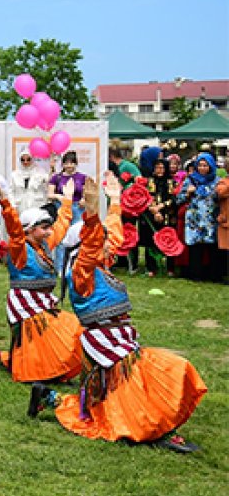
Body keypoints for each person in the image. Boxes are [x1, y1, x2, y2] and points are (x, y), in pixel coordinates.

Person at [28, 175, 206, 453]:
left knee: (109, 402)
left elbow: (113, 232)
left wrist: (113, 202)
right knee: (153, 378)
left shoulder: (100, 263)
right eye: (104, 243)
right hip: (105, 342)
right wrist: (89, 211)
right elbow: (93, 241)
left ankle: (49, 397)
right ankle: (156, 430)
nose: (112, 245)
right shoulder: (82, 271)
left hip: (120, 337)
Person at [0, 177, 81, 383]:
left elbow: (62, 226)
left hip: (43, 303)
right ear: (29, 230)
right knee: (32, 354)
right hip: (25, 306)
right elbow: (14, 229)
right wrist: (3, 198)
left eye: (48, 227)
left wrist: (67, 200)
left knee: (61, 335)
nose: (48, 231)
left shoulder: (44, 244)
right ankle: (0, 358)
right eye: (44, 227)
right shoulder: (20, 249)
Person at [175, 152, 222, 281]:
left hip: (210, 219)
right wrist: (188, 194)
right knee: (195, 249)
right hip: (194, 220)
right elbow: (178, 199)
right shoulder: (190, 180)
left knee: (212, 248)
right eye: (200, 165)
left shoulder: (217, 181)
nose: (202, 168)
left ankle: (213, 275)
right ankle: (195, 275)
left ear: (211, 166)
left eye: (205, 165)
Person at [140, 156, 177, 277]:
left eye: (162, 168)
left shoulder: (171, 182)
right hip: (152, 215)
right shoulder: (149, 181)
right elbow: (146, 197)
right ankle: (151, 268)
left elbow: (173, 199)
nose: (159, 170)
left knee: (169, 241)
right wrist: (154, 211)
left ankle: (170, 268)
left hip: (167, 215)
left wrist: (161, 207)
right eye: (157, 168)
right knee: (151, 241)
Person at [9, 149, 48, 214]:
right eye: (23, 160)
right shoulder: (14, 175)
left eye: (28, 159)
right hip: (20, 207)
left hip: (37, 206)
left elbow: (48, 187)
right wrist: (13, 206)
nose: (25, 162)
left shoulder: (41, 173)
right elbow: (11, 192)